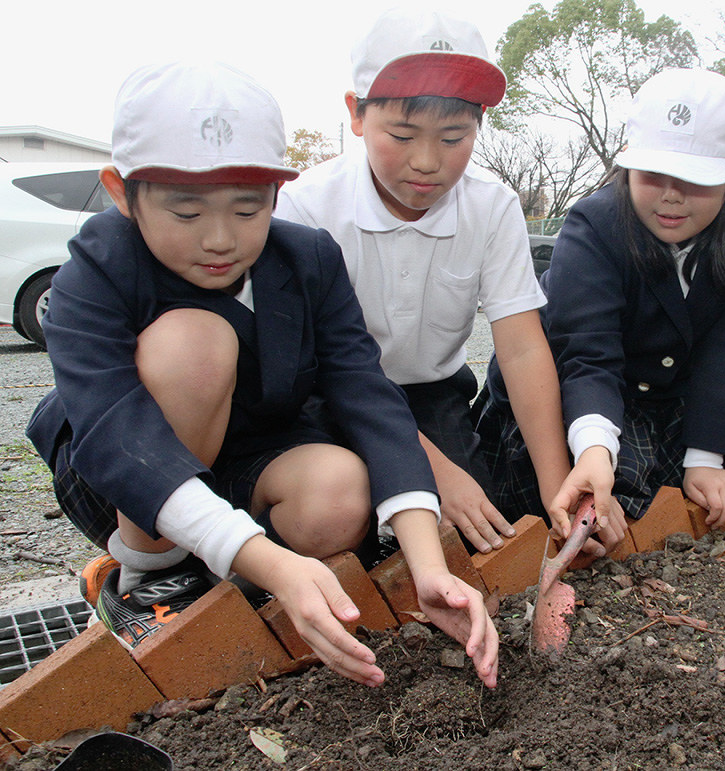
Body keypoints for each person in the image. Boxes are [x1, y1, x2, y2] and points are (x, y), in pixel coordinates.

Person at [25, 61, 498, 689]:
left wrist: (428, 563)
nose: (221, 239)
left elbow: (368, 396)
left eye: (248, 210)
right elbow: (113, 428)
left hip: (252, 459)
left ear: (277, 194)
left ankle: (231, 571)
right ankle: (146, 573)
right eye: (187, 214)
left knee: (340, 489)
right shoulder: (100, 262)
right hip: (125, 473)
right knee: (195, 342)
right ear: (121, 191)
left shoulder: (307, 258)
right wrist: (277, 565)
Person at [275, 9, 576, 555]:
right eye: (402, 134)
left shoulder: (492, 206)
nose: (427, 162)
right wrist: (428, 472)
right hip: (327, 395)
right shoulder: (306, 207)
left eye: (455, 136)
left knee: (474, 528)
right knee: (354, 528)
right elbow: (329, 372)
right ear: (357, 114)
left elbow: (524, 348)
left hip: (430, 395)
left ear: (480, 124)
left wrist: (559, 492)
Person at [477, 68, 725, 533]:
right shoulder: (594, 225)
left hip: (674, 388)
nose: (671, 197)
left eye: (695, 179)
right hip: (588, 386)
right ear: (627, 164)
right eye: (653, 174)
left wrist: (705, 457)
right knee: (618, 489)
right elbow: (587, 355)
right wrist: (594, 449)